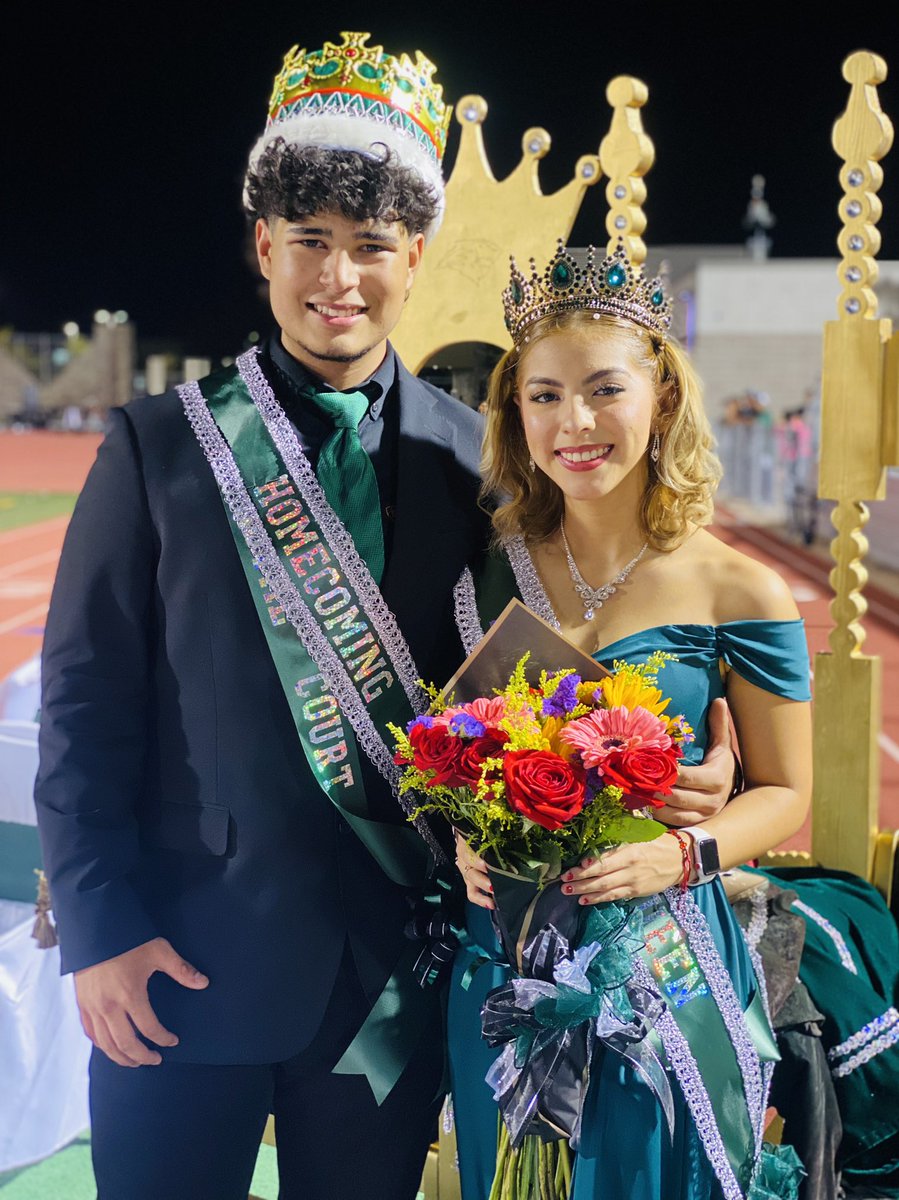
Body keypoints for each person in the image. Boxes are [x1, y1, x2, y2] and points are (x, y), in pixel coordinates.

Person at [34, 35, 736, 1199]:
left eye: (370, 246)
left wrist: (659, 781)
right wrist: (102, 927)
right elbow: (84, 702)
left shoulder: (484, 460)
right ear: (264, 246)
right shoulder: (158, 447)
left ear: (416, 256)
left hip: (389, 985)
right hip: (175, 970)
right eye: (310, 241)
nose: (339, 277)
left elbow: (540, 685)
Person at [450, 242, 813, 1199]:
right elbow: (447, 753)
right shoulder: (479, 571)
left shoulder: (741, 585)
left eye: (604, 389)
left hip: (663, 958)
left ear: (661, 396)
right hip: (506, 959)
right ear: (514, 410)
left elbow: (786, 792)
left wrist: (680, 855)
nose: (574, 422)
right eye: (544, 396)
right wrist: (460, 840)